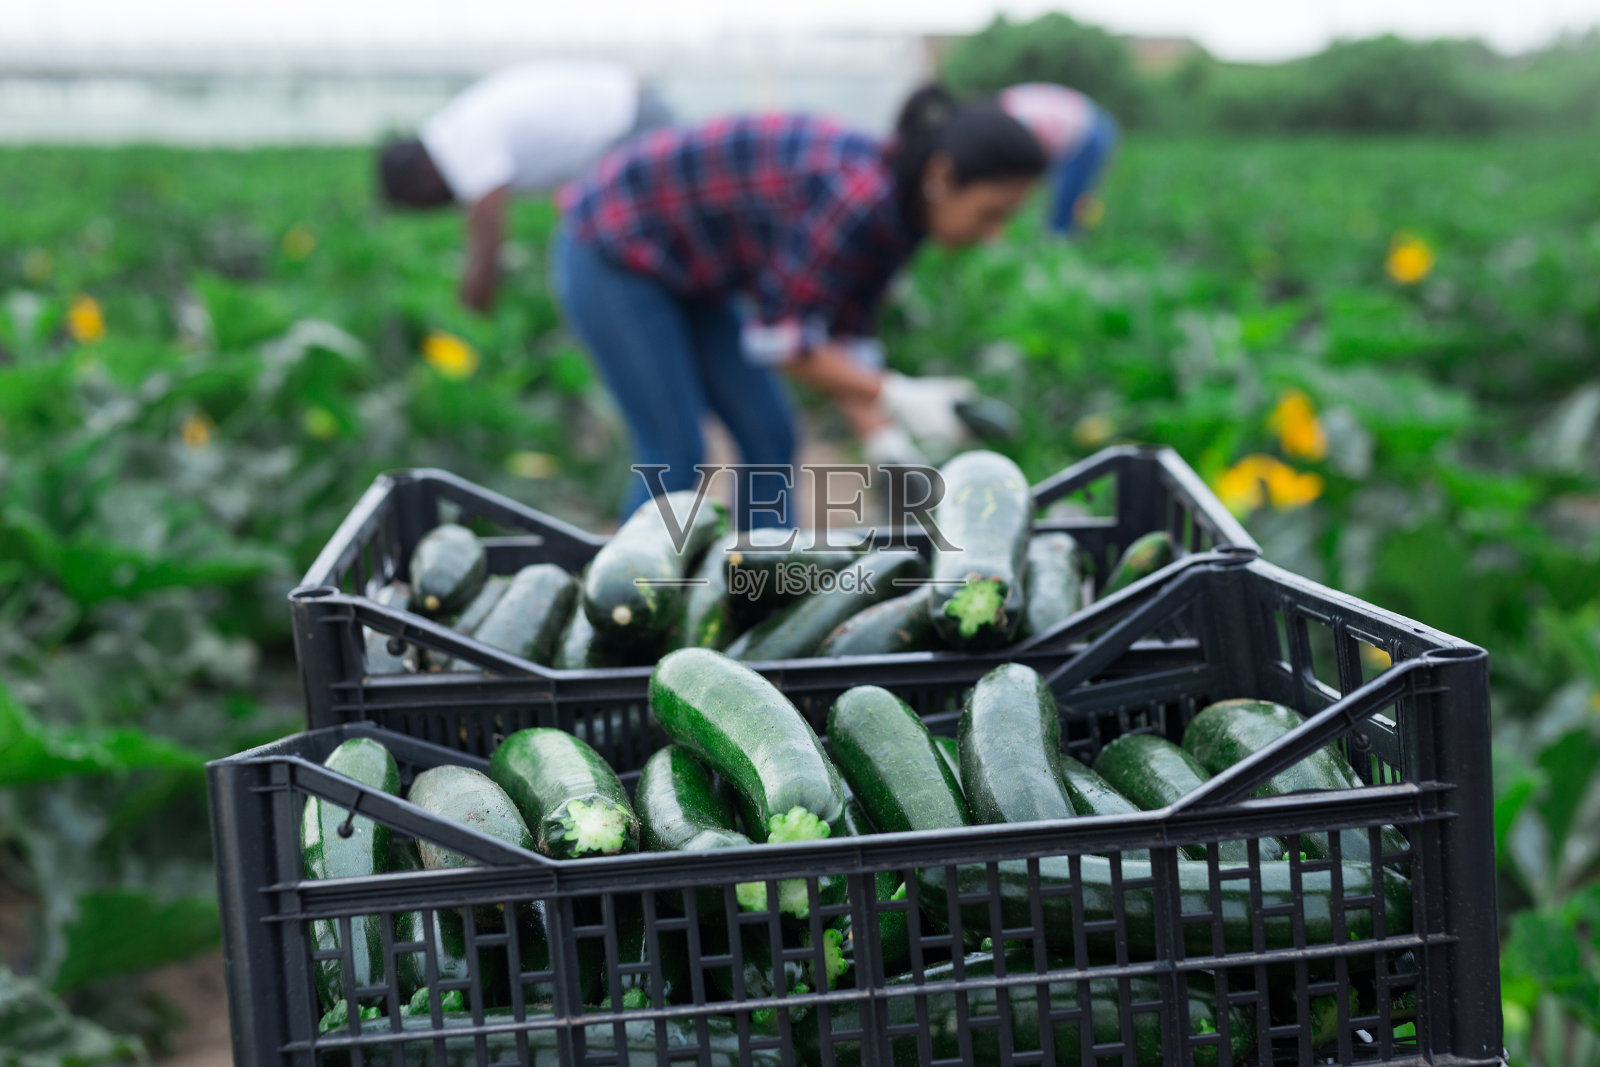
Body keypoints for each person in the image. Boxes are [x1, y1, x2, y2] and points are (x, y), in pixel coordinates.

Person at [553, 86, 1047, 526]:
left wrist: (880, 435)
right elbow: (788, 343)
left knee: (770, 437)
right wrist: (898, 393)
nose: (993, 234)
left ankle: (758, 593)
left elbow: (841, 337)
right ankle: (629, 608)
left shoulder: (903, 212)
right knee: (675, 455)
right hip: (615, 247)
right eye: (990, 213)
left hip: (693, 271)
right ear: (943, 176)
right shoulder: (855, 195)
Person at [376, 60, 673, 311]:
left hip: (631, 122)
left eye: (417, 203)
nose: (432, 210)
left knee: (658, 261)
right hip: (625, 115)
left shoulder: (462, 146)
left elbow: (487, 249)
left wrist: (467, 324)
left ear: (422, 176)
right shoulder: (453, 130)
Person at [998, 83, 1118, 237]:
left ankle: (1061, 244)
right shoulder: (1004, 106)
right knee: (1065, 196)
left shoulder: (1006, 119)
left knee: (1067, 200)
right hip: (1084, 123)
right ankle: (1065, 239)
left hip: (1088, 131)